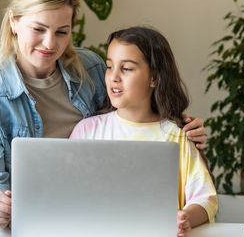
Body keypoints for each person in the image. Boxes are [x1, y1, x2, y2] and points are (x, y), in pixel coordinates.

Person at [0, 0, 208, 228]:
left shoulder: (91, 67)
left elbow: (134, 113)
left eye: (62, 31)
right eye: (39, 28)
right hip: (34, 220)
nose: (50, 44)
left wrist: (180, 125)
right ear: (14, 21)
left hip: (99, 216)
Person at [70, 26, 218, 236]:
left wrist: (185, 219)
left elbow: (206, 199)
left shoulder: (177, 136)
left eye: (127, 69)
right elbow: (70, 195)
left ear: (154, 78)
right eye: (110, 66)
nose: (114, 77)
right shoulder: (87, 131)